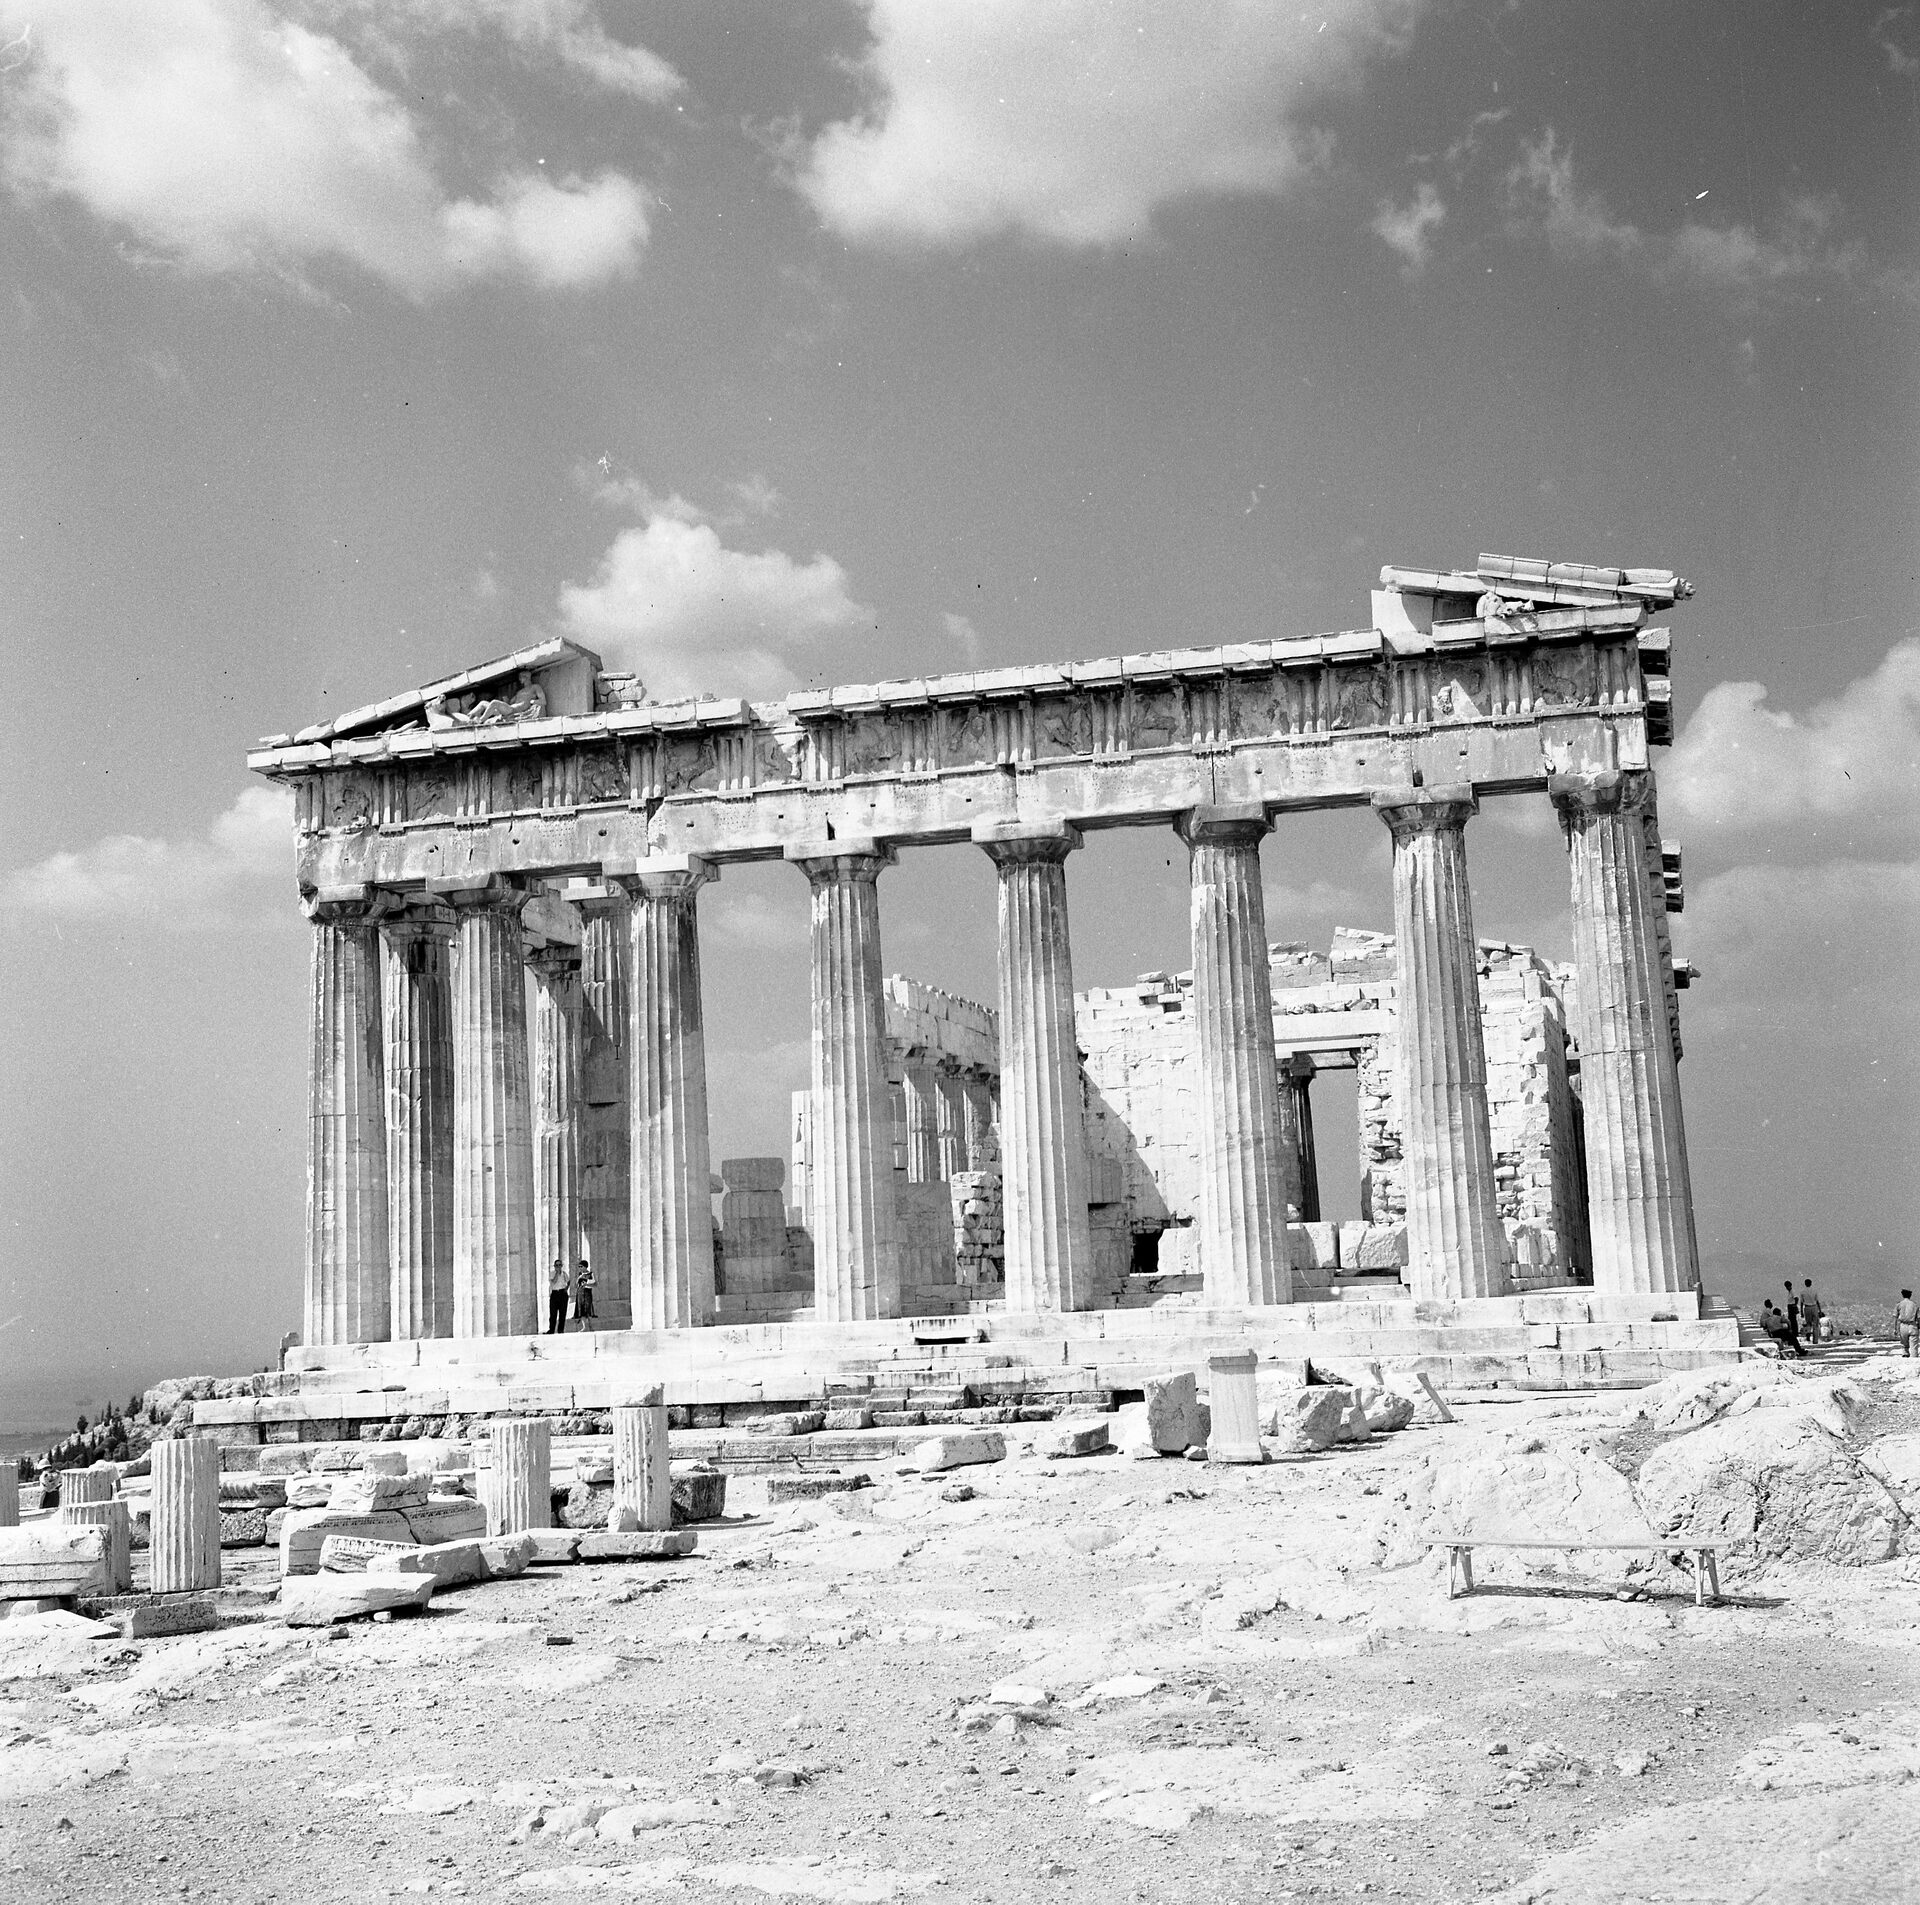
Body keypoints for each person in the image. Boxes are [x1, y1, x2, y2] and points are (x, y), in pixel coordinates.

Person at [1799, 1278, 1826, 1347]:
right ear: (1811, 1283)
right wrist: (1820, 1310)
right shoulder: (1814, 1291)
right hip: (1814, 1307)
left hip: (1807, 1307)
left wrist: (1801, 1311)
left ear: (1805, 1284)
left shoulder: (1802, 1292)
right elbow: (1817, 1301)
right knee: (1815, 1324)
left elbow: (1801, 1302)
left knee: (1808, 1323)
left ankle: (1808, 1334)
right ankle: (1815, 1340)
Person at [546, 1257, 569, 1335]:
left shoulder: (564, 1273)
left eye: (559, 1265)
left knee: (562, 1313)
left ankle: (560, 1330)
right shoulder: (552, 1273)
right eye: (556, 1265)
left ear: (562, 1266)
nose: (558, 1267)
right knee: (553, 1313)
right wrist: (557, 1273)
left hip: (562, 1293)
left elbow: (568, 1281)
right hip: (555, 1293)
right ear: (554, 1266)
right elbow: (554, 1281)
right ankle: (551, 1330)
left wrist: (566, 1288)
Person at [572, 1255, 595, 1332]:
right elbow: (575, 1285)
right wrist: (579, 1278)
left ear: (585, 1267)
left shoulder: (590, 1274)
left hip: (587, 1292)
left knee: (588, 1308)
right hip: (580, 1293)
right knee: (581, 1309)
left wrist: (587, 1284)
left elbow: (595, 1284)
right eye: (579, 1266)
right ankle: (584, 1326)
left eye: (581, 1266)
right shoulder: (580, 1274)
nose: (580, 1268)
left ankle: (591, 1326)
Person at [1898, 1289, 1919, 1359]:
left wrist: (1895, 1328)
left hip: (1903, 1325)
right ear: (1910, 1295)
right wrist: (1919, 1326)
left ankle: (1905, 1354)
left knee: (1904, 1344)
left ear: (1902, 1295)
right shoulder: (1914, 1305)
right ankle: (1914, 1358)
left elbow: (1895, 1317)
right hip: (1913, 1325)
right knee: (1914, 1345)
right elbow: (1918, 1317)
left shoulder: (1899, 1304)